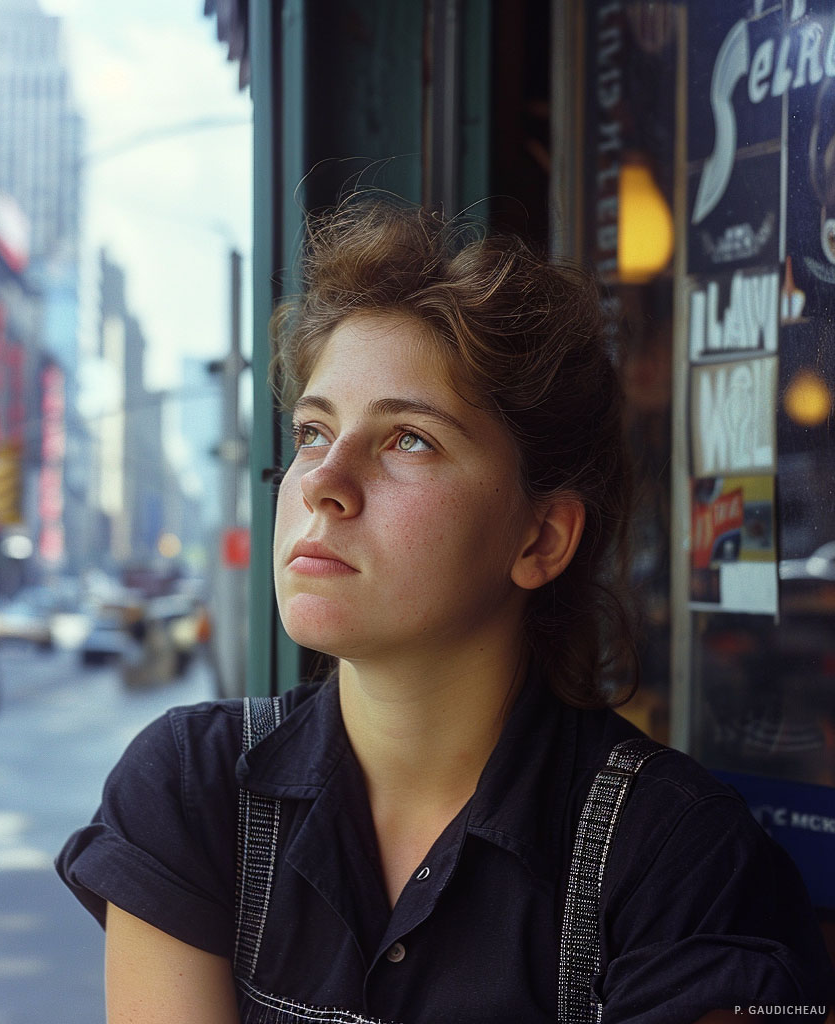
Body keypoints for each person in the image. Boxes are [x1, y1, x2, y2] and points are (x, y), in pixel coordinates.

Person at [57, 198, 835, 1023]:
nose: (323, 480)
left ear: (540, 539)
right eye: (314, 432)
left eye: (409, 441)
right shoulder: (193, 785)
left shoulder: (674, 856)